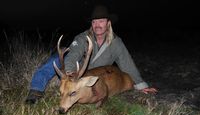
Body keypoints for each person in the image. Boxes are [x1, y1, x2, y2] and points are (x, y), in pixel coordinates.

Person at [25, 5, 157, 104]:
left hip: (93, 74)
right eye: (94, 22)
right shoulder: (82, 38)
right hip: (77, 70)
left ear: (108, 23)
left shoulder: (116, 43)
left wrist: (141, 85)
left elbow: (127, 64)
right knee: (57, 59)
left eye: (101, 21)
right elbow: (73, 55)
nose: (97, 25)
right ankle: (36, 89)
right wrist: (70, 74)